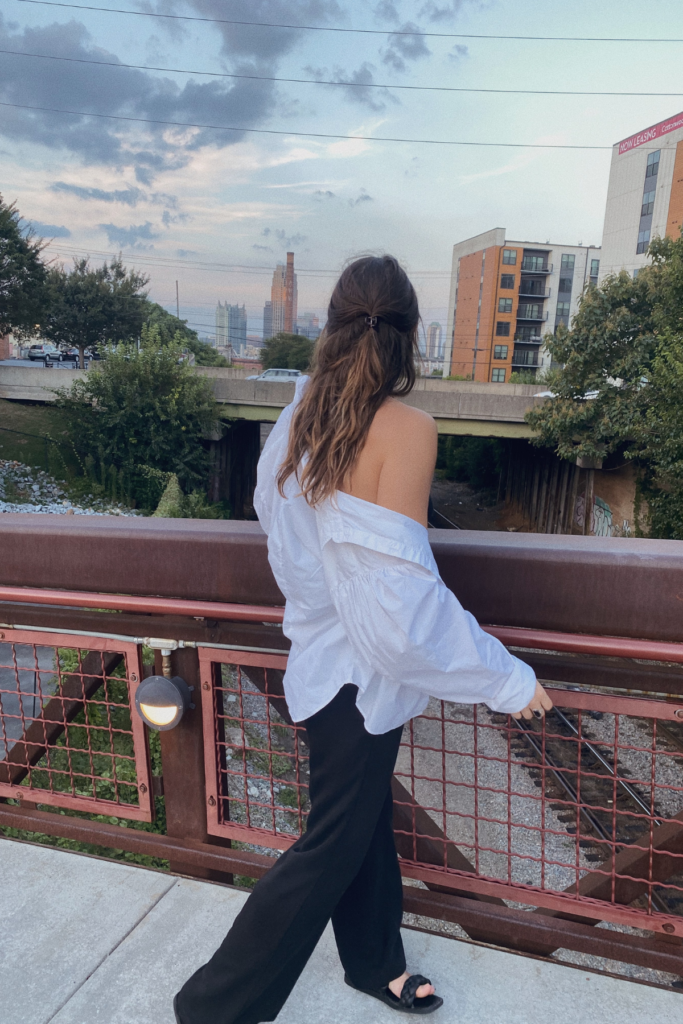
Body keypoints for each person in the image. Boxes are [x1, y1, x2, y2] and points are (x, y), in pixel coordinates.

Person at [174, 255, 553, 1024]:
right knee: (331, 844)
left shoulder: (294, 417)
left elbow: (292, 544)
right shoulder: (407, 429)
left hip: (319, 658)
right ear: (409, 335)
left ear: (331, 326)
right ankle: (212, 1008)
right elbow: (402, 611)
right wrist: (508, 680)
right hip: (358, 677)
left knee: (360, 821)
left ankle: (373, 962)